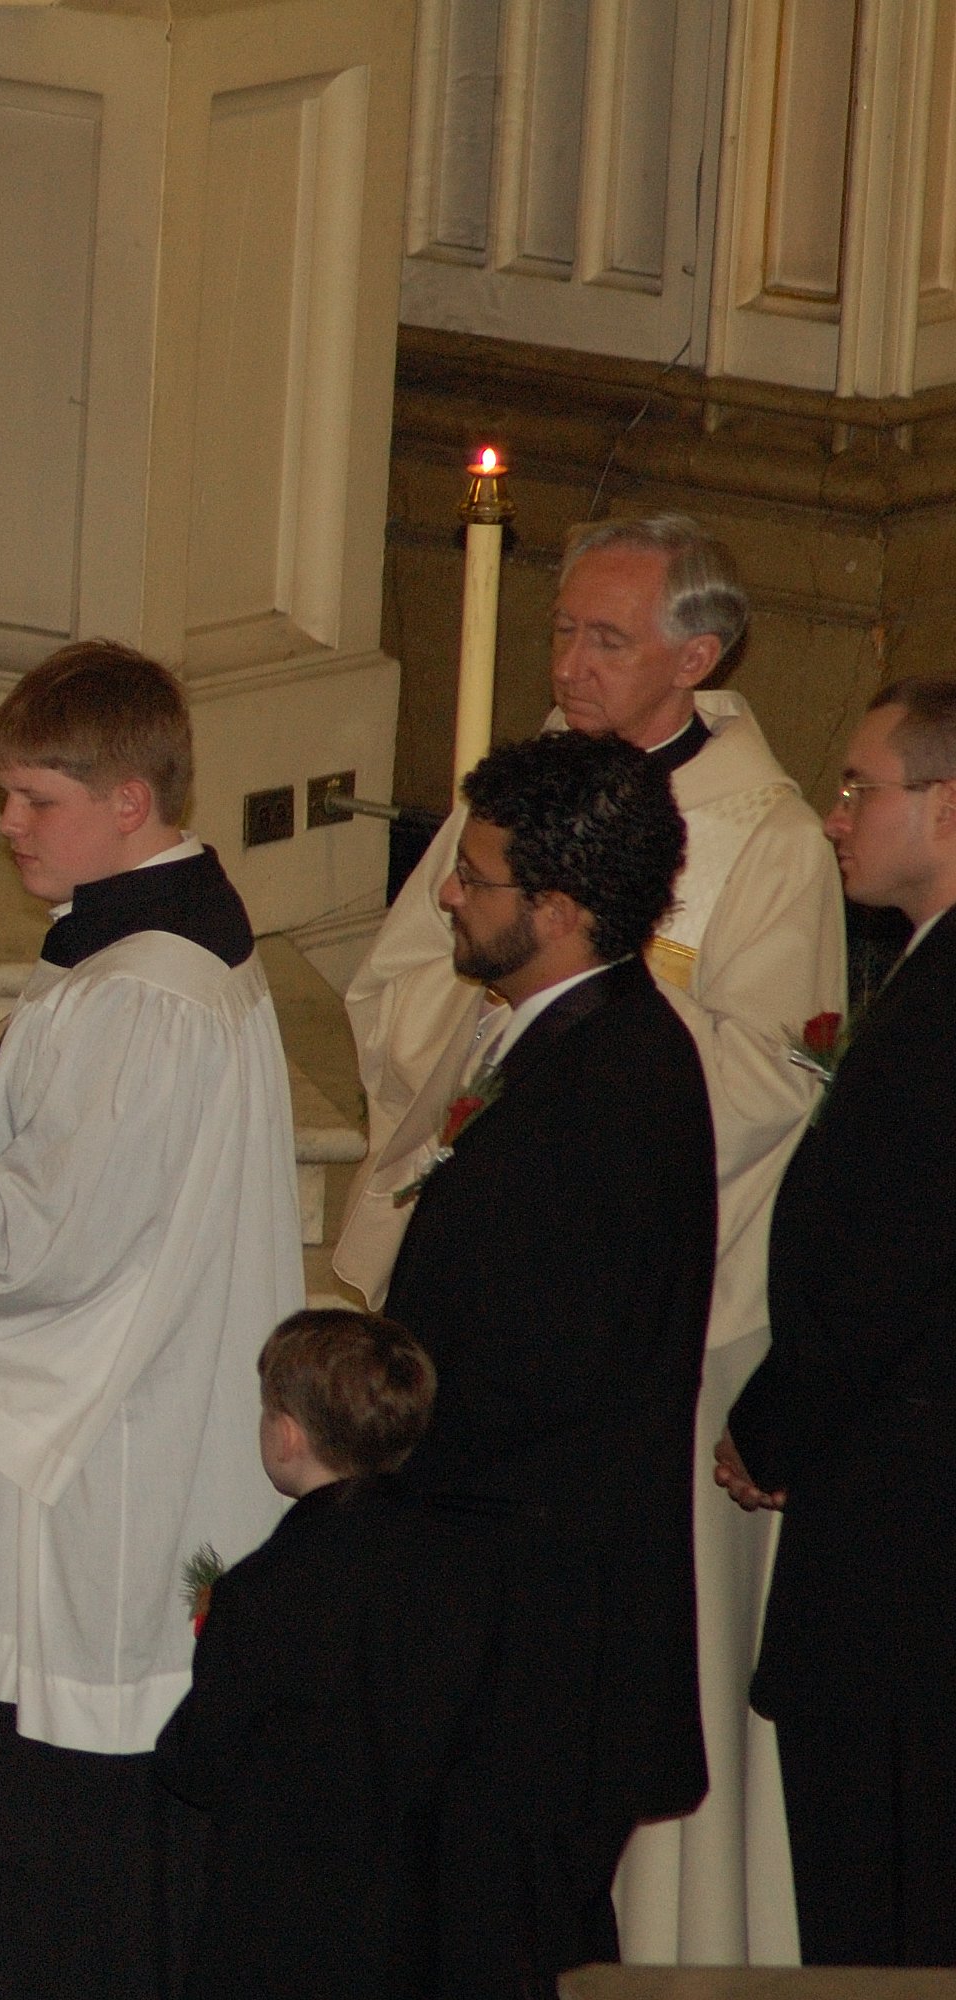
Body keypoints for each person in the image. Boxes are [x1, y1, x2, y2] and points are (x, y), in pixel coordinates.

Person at [339, 515, 840, 1964]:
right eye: (560, 629)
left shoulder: (766, 838)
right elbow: (395, 991)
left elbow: (770, 1075)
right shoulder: (517, 803)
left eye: (604, 638)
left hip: (634, 1325)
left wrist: (582, 995)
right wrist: (506, 1011)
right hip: (502, 1257)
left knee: (556, 1741)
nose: (567, 663)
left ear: (698, 654)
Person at [0, 641, 303, 1999]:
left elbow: (44, 1243)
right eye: (5, 793)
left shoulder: (145, 991)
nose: (6, 822)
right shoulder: (134, 942)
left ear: (130, 800)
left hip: (98, 1436)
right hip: (125, 1390)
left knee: (49, 1809)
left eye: (36, 798)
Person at [381, 730, 717, 1998]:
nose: (446, 893)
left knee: (507, 1949)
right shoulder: (572, 1041)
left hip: (543, 1644)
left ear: (560, 908)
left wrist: (367, 1423)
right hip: (526, 1630)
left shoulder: (607, 1082)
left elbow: (534, 1370)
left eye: (472, 876)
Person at [717, 676, 956, 1966]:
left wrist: (771, 1425)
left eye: (861, 786)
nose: (832, 814)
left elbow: (886, 1263)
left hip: (901, 1553)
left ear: (946, 806)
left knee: (884, 1912)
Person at [155, 1309, 500, 2000]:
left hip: (287, 1926)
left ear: (287, 1435)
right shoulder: (467, 1564)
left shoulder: (265, 1588)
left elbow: (203, 1762)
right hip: (428, 1917)